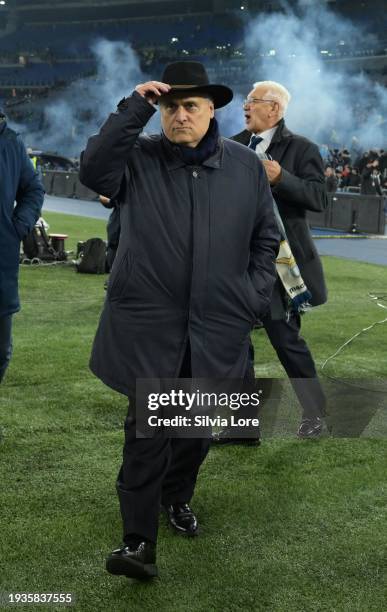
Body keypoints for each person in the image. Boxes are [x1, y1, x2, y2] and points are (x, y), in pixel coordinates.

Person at [79, 61, 280, 579]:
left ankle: (177, 498)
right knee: (147, 433)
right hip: (150, 327)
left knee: (192, 434)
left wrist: (253, 297)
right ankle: (136, 542)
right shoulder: (137, 157)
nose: (180, 115)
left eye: (191, 106)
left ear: (212, 110)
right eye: (170, 106)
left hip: (216, 327)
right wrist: (134, 107)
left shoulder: (244, 167)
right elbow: (93, 170)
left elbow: (266, 238)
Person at [215, 80, 328, 443]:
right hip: (235, 263)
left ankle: (316, 415)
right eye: (245, 102)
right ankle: (243, 426)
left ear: (275, 109)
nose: (245, 107)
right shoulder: (230, 145)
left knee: (286, 341)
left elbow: (319, 197)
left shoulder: (301, 148)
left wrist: (282, 178)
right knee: (234, 345)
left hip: (280, 266)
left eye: (253, 101)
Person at [0, 110, 44, 383]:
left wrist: (17, 227)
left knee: (1, 351)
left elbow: (33, 189)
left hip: (1, 263)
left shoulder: (12, 143)